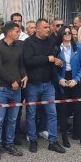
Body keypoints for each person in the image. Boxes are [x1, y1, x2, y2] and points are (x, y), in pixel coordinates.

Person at [23, 19, 66, 154]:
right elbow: (28, 61)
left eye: (49, 27)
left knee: (52, 113)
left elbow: (52, 58)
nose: (48, 29)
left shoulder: (50, 42)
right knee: (31, 113)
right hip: (33, 85)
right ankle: (33, 140)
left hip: (48, 84)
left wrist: (56, 61)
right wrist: (47, 59)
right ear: (37, 29)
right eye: (46, 27)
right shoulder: (28, 42)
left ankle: (53, 141)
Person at [0, 22, 27, 160]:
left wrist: (24, 75)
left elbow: (21, 64)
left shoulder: (19, 46)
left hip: (16, 88)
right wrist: (12, 80)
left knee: (12, 119)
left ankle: (9, 144)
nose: (19, 34)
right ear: (9, 32)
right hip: (2, 88)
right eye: (17, 31)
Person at [56, 27, 81, 147]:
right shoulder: (57, 48)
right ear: (61, 34)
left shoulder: (78, 47)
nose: (68, 34)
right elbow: (53, 68)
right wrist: (60, 80)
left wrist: (76, 79)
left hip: (75, 78)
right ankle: (64, 137)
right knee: (63, 110)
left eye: (70, 32)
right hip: (63, 78)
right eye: (65, 33)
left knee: (78, 109)